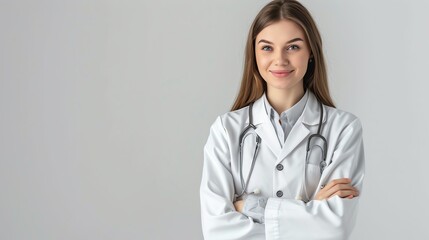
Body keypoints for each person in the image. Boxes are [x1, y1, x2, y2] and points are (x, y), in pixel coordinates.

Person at [200, 0, 365, 239]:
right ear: (254, 54)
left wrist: (250, 207)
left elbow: (334, 228)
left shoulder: (343, 129)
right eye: (267, 48)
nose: (280, 59)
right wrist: (311, 213)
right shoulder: (226, 130)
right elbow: (217, 231)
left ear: (311, 53)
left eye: (293, 47)